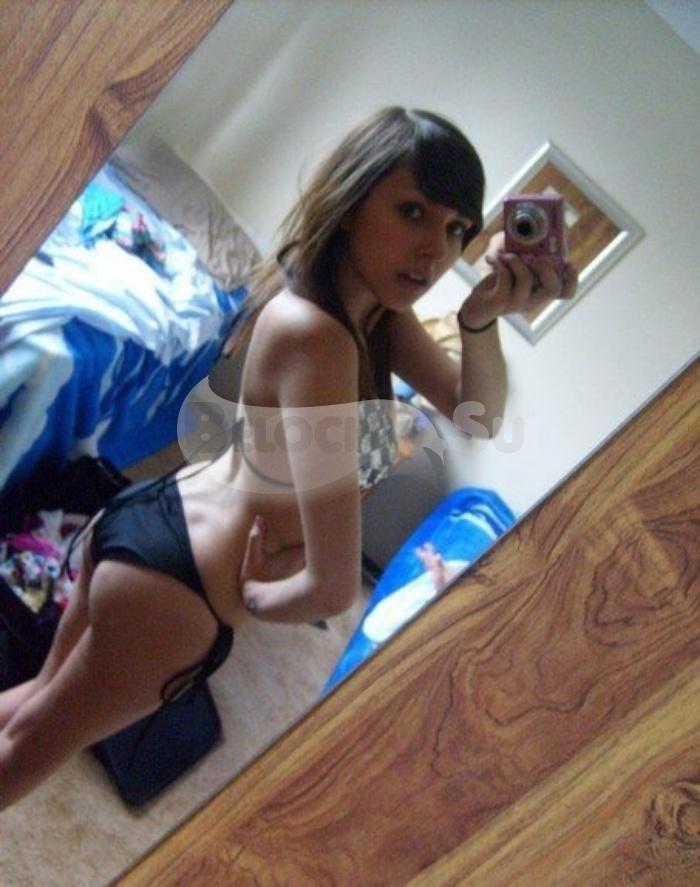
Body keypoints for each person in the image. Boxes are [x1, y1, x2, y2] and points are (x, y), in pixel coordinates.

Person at [0, 107, 577, 810]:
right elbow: (331, 587)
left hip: (153, 522)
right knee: (28, 753)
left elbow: (474, 413)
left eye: (456, 228)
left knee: (35, 706)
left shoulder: (370, 319)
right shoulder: (322, 339)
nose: (434, 252)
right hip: (180, 590)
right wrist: (248, 600)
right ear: (353, 201)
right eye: (413, 212)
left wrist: (479, 320)